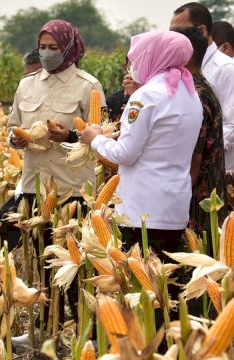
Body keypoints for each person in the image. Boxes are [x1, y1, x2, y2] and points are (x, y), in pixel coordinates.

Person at [79, 30, 202, 266]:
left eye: (135, 59)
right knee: (166, 289)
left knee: (140, 291)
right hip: (174, 207)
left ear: (154, 57)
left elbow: (125, 153)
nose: (132, 66)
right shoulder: (189, 94)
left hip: (141, 212)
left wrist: (95, 138)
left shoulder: (144, 97)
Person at [0, 20, 105, 250]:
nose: (46, 53)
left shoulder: (88, 86)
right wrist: (17, 138)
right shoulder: (27, 85)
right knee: (39, 255)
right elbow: (13, 125)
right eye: (42, 47)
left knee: (69, 258)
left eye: (54, 48)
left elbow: (102, 137)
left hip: (72, 190)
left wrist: (70, 136)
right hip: (35, 187)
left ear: (69, 48)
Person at [173, 26, 227, 236]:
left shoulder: (195, 94)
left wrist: (178, 198)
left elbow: (195, 158)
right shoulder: (201, 87)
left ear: (183, 55)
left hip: (198, 203)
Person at [171, 3, 234, 174]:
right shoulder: (179, 69)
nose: (173, 38)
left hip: (217, 171)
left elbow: (232, 124)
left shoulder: (226, 68)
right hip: (186, 168)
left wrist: (199, 148)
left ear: (202, 31)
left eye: (179, 32)